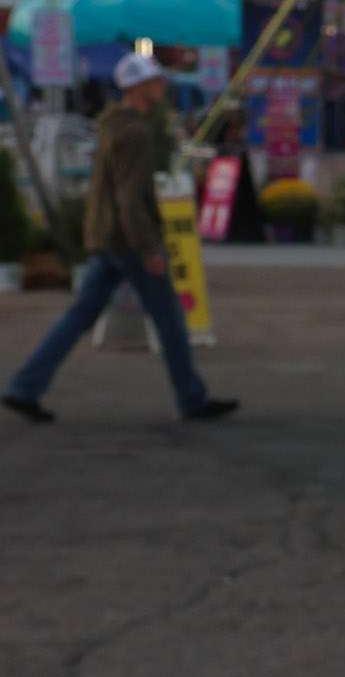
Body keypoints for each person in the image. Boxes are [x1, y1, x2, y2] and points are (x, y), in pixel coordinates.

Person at [4, 55, 237, 429]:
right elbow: (130, 199)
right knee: (170, 320)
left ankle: (25, 386)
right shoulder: (135, 133)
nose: (162, 86)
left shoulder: (114, 126)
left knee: (79, 317)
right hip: (128, 240)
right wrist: (148, 249)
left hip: (109, 238)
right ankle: (192, 399)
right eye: (155, 81)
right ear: (139, 88)